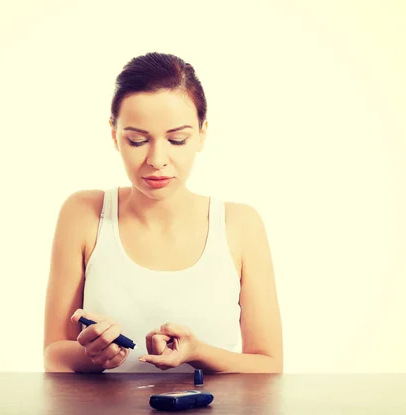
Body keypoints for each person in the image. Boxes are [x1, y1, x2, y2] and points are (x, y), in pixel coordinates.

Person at [43, 52, 283, 374]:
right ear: (114, 135)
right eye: (138, 140)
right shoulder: (84, 214)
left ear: (202, 134)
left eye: (177, 139)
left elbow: (268, 366)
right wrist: (93, 355)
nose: (157, 159)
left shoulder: (240, 225)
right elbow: (53, 354)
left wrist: (197, 352)